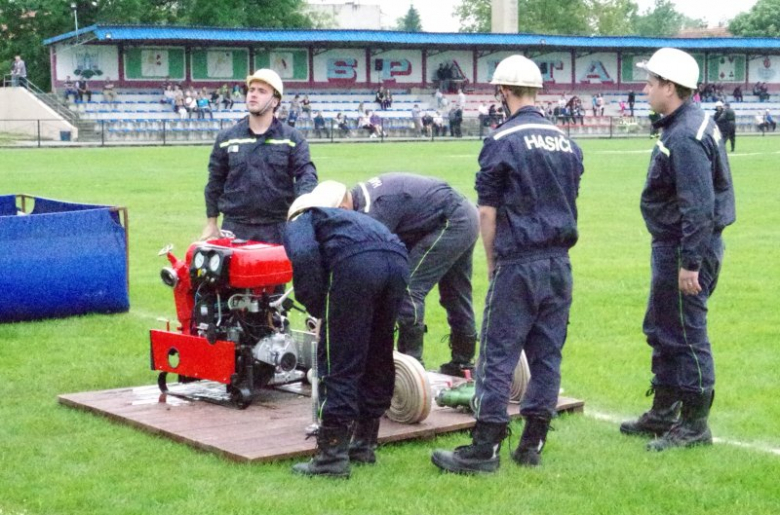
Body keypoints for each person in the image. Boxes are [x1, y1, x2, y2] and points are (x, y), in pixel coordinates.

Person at [431, 55, 584, 474]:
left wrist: (492, 260)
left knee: (498, 355)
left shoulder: (501, 140)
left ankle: (485, 447)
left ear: (503, 91)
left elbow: (487, 213)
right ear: (537, 91)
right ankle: (532, 443)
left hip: (519, 261)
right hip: (559, 262)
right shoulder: (567, 142)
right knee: (546, 355)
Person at [620, 48, 736, 452]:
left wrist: (690, 263)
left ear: (670, 87)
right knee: (663, 328)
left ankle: (694, 424)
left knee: (687, 335)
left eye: (651, 82)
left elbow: (698, 206)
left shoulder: (685, 135)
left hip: (685, 250)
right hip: (678, 247)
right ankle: (664, 410)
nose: (645, 88)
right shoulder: (687, 123)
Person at [286, 181, 409, 478]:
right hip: (398, 259)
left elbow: (303, 257)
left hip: (357, 265)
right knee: (377, 353)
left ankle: (331, 457)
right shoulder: (350, 220)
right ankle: (365, 443)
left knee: (340, 358)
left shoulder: (302, 219)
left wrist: (319, 309)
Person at [338, 173, 480, 376]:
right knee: (456, 293)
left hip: (452, 221)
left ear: (343, 208)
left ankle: (412, 367)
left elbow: (375, 262)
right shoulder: (360, 195)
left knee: (408, 290)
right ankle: (463, 362)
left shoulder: (373, 211)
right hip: (465, 214)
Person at [201, 69, 318, 244]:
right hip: (234, 228)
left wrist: (301, 212)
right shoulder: (226, 138)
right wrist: (211, 222)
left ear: (275, 101)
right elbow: (215, 182)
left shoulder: (293, 139)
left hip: (278, 228)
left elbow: (306, 177)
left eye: (262, 91)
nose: (253, 95)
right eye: (252, 89)